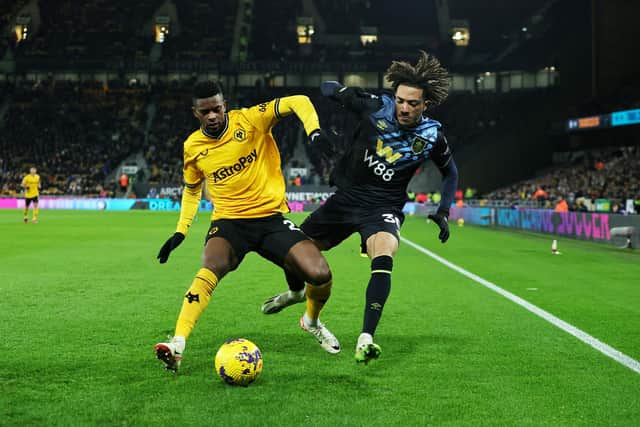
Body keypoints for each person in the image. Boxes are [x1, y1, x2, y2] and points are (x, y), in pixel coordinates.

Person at [262, 51, 459, 364]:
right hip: (347, 198)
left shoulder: (432, 135)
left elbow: (451, 173)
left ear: (425, 105)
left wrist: (444, 210)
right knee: (294, 254)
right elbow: (327, 88)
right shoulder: (376, 106)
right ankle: (297, 294)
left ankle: (366, 337)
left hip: (384, 206)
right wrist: (341, 93)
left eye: (412, 103)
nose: (404, 108)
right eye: (401, 100)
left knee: (384, 255)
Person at [154, 81, 340, 372]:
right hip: (229, 224)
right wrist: (181, 230)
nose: (213, 116)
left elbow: (299, 100)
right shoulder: (193, 147)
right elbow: (192, 190)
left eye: (217, 108)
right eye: (206, 112)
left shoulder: (252, 119)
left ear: (224, 104)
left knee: (319, 273)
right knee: (209, 267)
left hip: (270, 218)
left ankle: (311, 322)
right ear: (196, 113)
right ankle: (177, 343)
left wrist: (314, 132)